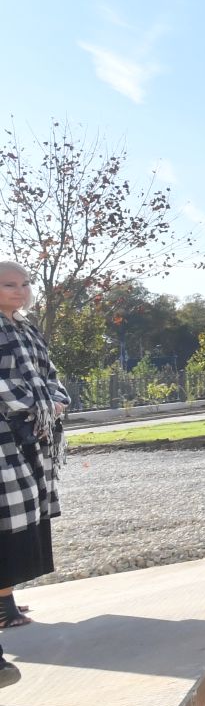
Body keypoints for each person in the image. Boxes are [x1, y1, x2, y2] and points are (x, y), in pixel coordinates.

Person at [0, 260, 65, 634]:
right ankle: (3, 605)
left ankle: (4, 597)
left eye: (25, 283)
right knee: (7, 514)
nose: (21, 290)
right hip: (5, 432)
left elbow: (49, 372)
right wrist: (34, 404)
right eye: (10, 285)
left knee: (26, 510)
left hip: (30, 432)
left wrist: (57, 399)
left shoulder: (26, 326)